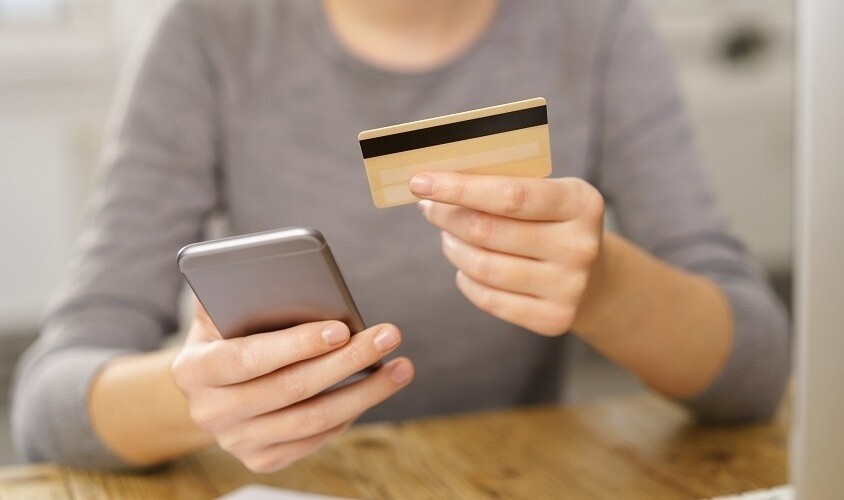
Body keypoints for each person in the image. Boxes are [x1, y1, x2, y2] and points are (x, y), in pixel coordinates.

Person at [11, 0, 790, 472]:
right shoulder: (208, 32)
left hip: (510, 477)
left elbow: (756, 370)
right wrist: (196, 399)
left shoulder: (595, 24)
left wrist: (607, 287)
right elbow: (47, 410)